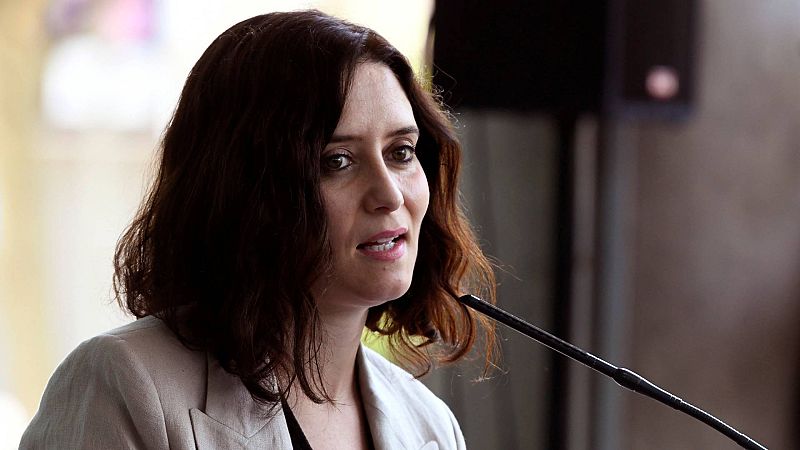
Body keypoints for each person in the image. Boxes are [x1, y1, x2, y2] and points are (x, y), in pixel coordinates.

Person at [20, 10, 496, 450]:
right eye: (337, 161)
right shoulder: (123, 383)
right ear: (246, 191)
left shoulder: (431, 425)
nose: (389, 195)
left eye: (401, 152)